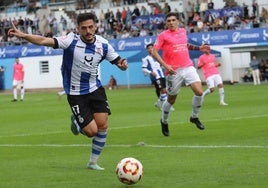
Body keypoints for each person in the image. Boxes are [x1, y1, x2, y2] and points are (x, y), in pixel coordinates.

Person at [8, 12, 128, 170]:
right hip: (75, 93)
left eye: (91, 27)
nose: (88, 31)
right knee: (92, 132)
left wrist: (122, 64)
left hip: (95, 89)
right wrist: (23, 35)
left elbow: (118, 60)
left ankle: (92, 162)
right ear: (78, 29)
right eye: (84, 28)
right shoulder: (70, 40)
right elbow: (44, 40)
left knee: (102, 125)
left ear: (96, 26)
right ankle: (77, 123)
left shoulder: (103, 44)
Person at [150, 12, 206, 137]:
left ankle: (194, 117)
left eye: (173, 20)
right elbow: (154, 52)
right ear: (166, 23)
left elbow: (184, 45)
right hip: (173, 71)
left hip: (188, 67)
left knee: (199, 92)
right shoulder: (163, 35)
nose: (171, 22)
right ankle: (164, 121)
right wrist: (166, 66)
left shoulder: (182, 31)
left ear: (178, 21)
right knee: (171, 99)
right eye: (168, 20)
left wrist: (199, 48)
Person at [142, 43, 168, 110]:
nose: (150, 49)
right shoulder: (146, 59)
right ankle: (166, 106)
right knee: (162, 90)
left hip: (162, 75)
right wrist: (150, 72)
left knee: (164, 90)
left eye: (152, 47)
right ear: (147, 50)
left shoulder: (158, 56)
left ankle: (158, 103)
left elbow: (161, 65)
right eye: (149, 48)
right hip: (155, 77)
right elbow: (143, 68)